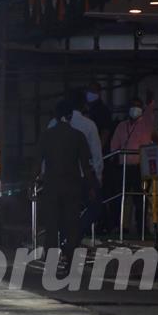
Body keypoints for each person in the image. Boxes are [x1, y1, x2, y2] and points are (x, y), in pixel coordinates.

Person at [35, 100, 96, 259]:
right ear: (70, 116)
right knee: (72, 224)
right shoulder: (78, 136)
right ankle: (70, 257)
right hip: (72, 186)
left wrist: (32, 182)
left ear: (55, 116)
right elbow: (86, 165)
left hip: (51, 185)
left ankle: (51, 258)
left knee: (51, 224)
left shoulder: (47, 136)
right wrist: (92, 186)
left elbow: (37, 162)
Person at [109, 90, 158, 233]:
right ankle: (119, 226)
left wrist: (150, 102)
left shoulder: (145, 123)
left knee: (140, 199)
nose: (135, 109)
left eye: (138, 106)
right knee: (120, 198)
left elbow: (150, 112)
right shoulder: (121, 126)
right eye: (133, 106)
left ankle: (142, 227)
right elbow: (114, 145)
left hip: (140, 166)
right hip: (124, 166)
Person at [69, 92, 103, 239]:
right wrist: (98, 177)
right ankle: (78, 231)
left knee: (67, 208)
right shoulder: (89, 125)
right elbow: (96, 153)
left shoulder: (54, 123)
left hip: (60, 176)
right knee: (96, 206)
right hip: (84, 175)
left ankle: (67, 234)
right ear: (84, 105)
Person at [85, 81, 113, 151]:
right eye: (89, 90)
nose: (90, 93)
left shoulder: (103, 110)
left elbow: (105, 132)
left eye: (94, 91)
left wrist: (97, 149)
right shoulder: (85, 108)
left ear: (99, 93)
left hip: (97, 150)